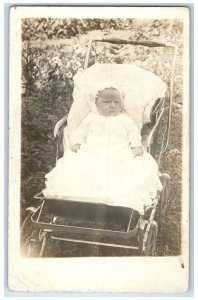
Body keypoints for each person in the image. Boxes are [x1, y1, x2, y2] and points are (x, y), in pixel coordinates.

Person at [43, 87, 162, 215]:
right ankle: (79, 198)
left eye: (117, 102)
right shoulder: (91, 118)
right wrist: (76, 142)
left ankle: (114, 200)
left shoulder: (125, 119)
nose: (112, 105)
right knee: (76, 164)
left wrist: (135, 145)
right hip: (93, 150)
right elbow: (80, 132)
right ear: (96, 104)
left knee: (131, 168)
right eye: (107, 102)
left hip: (119, 151)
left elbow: (133, 132)